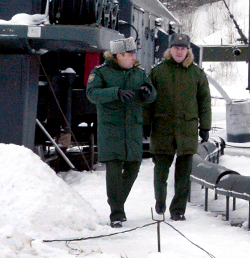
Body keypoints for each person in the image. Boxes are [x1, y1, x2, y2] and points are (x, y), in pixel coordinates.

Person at [86, 37, 155, 227]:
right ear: (119, 55)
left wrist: (147, 91)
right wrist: (116, 93)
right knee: (114, 172)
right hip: (111, 130)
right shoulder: (101, 72)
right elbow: (92, 94)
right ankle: (117, 213)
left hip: (132, 128)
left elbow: (152, 93)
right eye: (130, 54)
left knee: (133, 167)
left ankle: (116, 202)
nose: (134, 57)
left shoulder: (138, 73)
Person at [148, 32, 211, 221]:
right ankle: (160, 201)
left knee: (183, 175)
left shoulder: (197, 73)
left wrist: (205, 126)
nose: (179, 51)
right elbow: (148, 101)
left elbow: (204, 101)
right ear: (170, 49)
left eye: (183, 48)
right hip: (162, 129)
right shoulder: (158, 72)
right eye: (176, 48)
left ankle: (178, 210)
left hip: (186, 129)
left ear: (188, 51)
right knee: (161, 171)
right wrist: (145, 124)